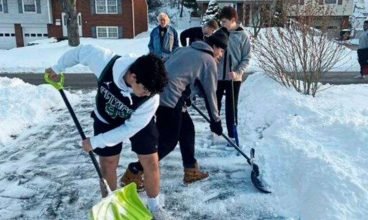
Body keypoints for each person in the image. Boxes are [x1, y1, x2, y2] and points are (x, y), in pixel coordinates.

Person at [45, 45, 169, 219]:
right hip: (106, 117)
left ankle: (155, 207)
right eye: (146, 90)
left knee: (151, 162)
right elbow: (81, 52)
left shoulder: (150, 99)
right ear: (133, 77)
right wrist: (58, 68)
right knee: (108, 163)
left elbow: (129, 129)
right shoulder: (106, 62)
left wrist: (95, 142)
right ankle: (110, 204)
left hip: (137, 121)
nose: (147, 94)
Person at [120, 29, 229, 188]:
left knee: (187, 130)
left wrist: (186, 92)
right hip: (170, 101)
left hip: (158, 95)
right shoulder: (208, 60)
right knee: (167, 142)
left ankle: (191, 170)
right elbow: (210, 92)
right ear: (214, 46)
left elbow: (169, 67)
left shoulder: (184, 49)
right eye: (221, 50)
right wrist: (215, 120)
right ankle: (134, 171)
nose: (221, 54)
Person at [216, 6, 251, 144]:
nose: (222, 24)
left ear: (233, 20)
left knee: (231, 106)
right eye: (221, 21)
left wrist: (237, 73)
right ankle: (215, 131)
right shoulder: (219, 33)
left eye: (224, 21)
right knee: (215, 104)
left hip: (234, 78)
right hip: (218, 76)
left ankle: (232, 134)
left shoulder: (243, 36)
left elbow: (246, 58)